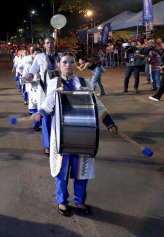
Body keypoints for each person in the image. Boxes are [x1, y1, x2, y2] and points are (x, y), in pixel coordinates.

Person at [32, 52, 118, 217]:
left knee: (81, 171)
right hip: (62, 134)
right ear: (59, 64)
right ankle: (62, 202)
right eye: (64, 62)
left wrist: (109, 122)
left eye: (71, 62)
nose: (68, 65)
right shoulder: (54, 82)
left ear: (75, 65)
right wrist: (40, 113)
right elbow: (49, 101)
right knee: (61, 171)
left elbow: (97, 104)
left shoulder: (84, 83)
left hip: (83, 133)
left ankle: (79, 201)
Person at [25, 36, 60, 157]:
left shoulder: (60, 56)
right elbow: (32, 71)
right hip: (44, 92)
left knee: (59, 118)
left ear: (55, 44)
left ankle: (59, 144)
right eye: (47, 43)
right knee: (45, 119)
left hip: (59, 91)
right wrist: (29, 76)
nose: (50, 45)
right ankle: (48, 146)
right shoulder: (40, 57)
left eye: (51, 43)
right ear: (44, 45)